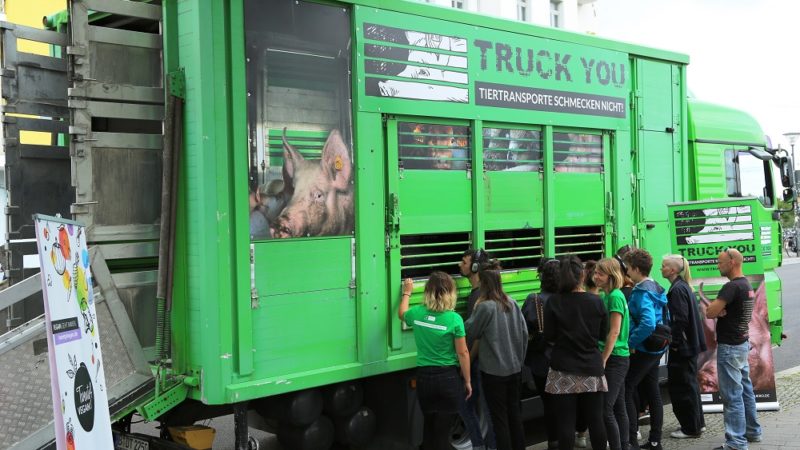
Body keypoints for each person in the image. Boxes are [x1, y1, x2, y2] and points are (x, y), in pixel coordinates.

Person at [398, 272, 472, 450]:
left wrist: (407, 293)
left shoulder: (417, 313)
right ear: (450, 293)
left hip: (424, 379)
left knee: (429, 428)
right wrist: (468, 381)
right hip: (447, 379)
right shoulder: (454, 319)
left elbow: (402, 313)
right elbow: (462, 353)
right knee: (441, 433)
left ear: (427, 292)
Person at [543, 254, 608, 450]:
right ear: (582, 276)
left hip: (563, 368)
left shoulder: (554, 302)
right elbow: (603, 334)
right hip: (591, 367)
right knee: (596, 420)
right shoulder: (596, 301)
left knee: (565, 423)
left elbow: (549, 336)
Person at [702, 248, 762, 450]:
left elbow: (710, 312)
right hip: (742, 344)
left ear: (732, 262)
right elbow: (721, 311)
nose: (717, 266)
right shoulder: (745, 285)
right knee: (745, 391)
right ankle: (753, 431)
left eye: (720, 262)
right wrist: (722, 311)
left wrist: (719, 311)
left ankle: (736, 442)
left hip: (730, 347)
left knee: (732, 396)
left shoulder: (731, 287)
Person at [466, 269, 528, 450]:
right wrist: (519, 360)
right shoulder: (512, 303)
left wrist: (476, 307)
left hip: (493, 372)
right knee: (515, 416)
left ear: (483, 285)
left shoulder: (485, 306)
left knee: (499, 419)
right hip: (515, 369)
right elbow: (524, 334)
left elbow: (470, 331)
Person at [623, 248, 667, 450]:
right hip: (656, 348)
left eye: (628, 268)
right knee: (652, 391)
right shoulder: (656, 286)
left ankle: (631, 439)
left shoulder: (641, 292)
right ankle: (655, 441)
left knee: (627, 388)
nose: (626, 272)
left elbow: (648, 323)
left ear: (636, 269)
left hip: (643, 349)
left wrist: (631, 342)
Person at [661, 254, 707, 439]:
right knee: (690, 386)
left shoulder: (677, 290)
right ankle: (697, 423)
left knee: (682, 388)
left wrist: (674, 343)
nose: (661, 268)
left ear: (672, 270)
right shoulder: (683, 286)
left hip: (683, 347)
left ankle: (690, 428)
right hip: (690, 345)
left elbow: (680, 320)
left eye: (664, 266)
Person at [457, 249, 498, 450]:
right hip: (478, 361)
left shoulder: (478, 298)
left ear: (474, 268)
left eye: (464, 262)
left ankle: (482, 445)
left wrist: (467, 361)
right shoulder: (480, 294)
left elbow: (478, 338)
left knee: (472, 407)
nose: (459, 265)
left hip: (477, 362)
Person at [522, 258, 560, 449]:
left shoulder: (534, 300)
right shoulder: (569, 298)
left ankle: (553, 440)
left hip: (541, 360)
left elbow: (524, 328)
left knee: (549, 403)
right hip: (565, 359)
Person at [593, 258, 631, 450]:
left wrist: (603, 359)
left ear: (611, 276)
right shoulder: (606, 295)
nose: (595, 276)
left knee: (605, 409)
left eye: (600, 273)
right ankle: (625, 445)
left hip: (615, 358)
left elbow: (614, 331)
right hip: (617, 356)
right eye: (595, 272)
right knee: (618, 406)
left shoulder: (615, 296)